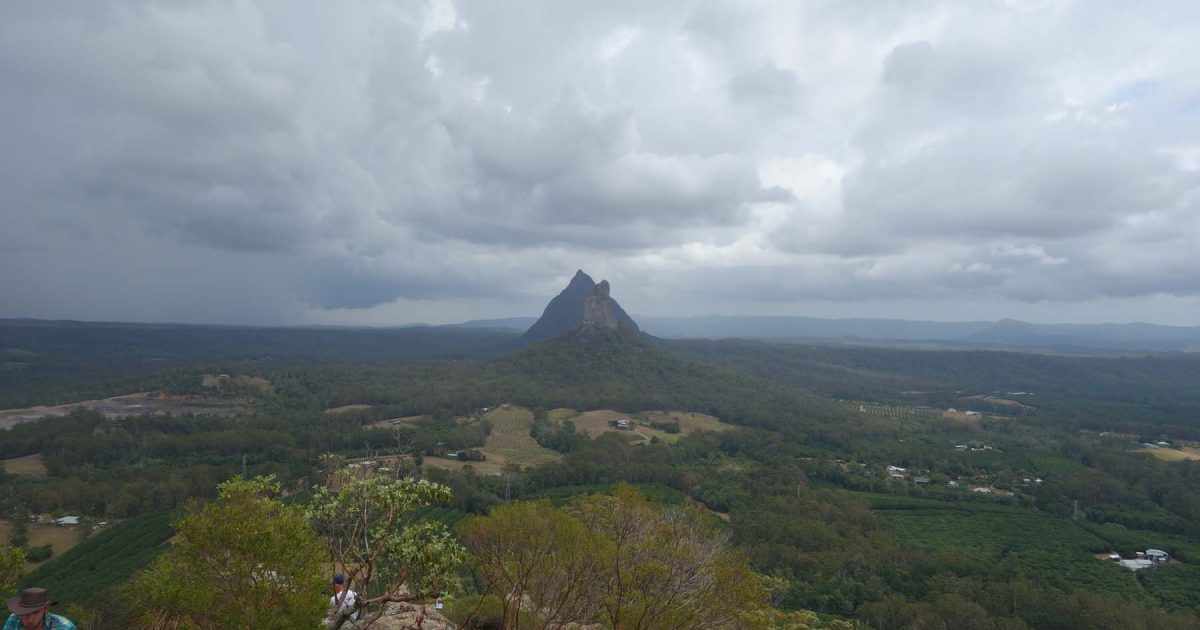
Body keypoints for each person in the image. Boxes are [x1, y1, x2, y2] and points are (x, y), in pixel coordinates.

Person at [3, 588, 75, 630]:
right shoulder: (14, 619)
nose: (30, 619)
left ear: (45, 609)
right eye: (25, 613)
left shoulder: (63, 627)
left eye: (35, 612)